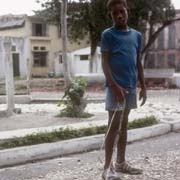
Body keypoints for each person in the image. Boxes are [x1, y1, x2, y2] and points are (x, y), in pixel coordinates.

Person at [101, 0, 147, 179]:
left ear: (127, 11)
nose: (119, 15)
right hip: (115, 88)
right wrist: (114, 86)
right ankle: (107, 169)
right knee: (113, 127)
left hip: (130, 87)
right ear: (111, 16)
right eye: (115, 14)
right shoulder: (108, 35)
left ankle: (121, 163)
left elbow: (137, 62)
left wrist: (143, 85)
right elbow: (105, 62)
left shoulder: (136, 35)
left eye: (122, 11)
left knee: (124, 125)